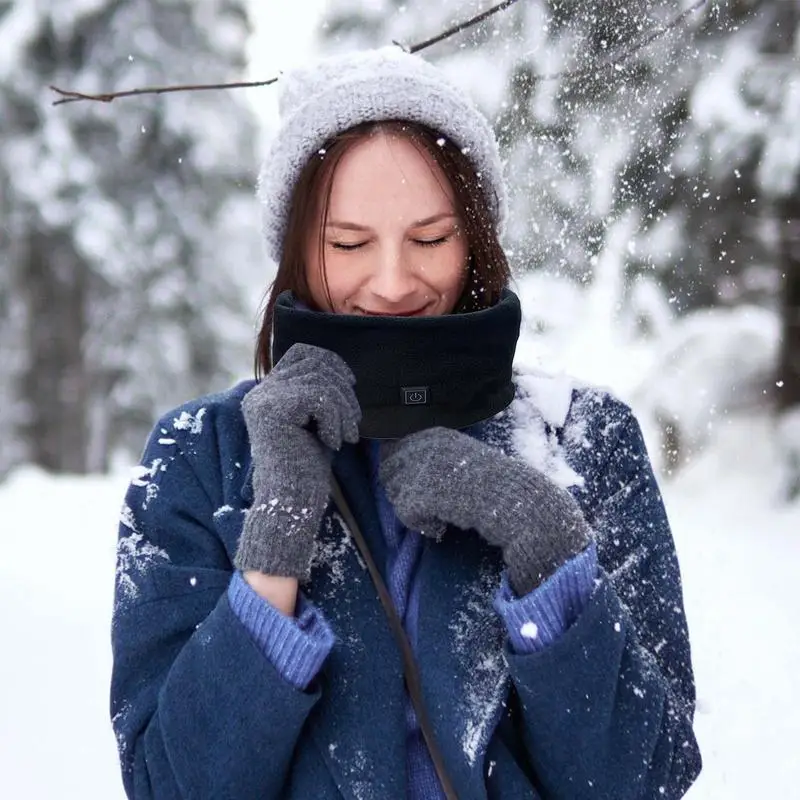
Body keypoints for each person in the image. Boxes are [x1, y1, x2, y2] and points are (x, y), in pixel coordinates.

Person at [110, 47, 701, 800]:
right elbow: (171, 788)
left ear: (477, 242)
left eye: (430, 239)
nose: (392, 283)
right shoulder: (200, 455)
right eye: (349, 243)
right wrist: (274, 549)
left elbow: (643, 782)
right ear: (295, 251)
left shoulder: (586, 438)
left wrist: (545, 547)